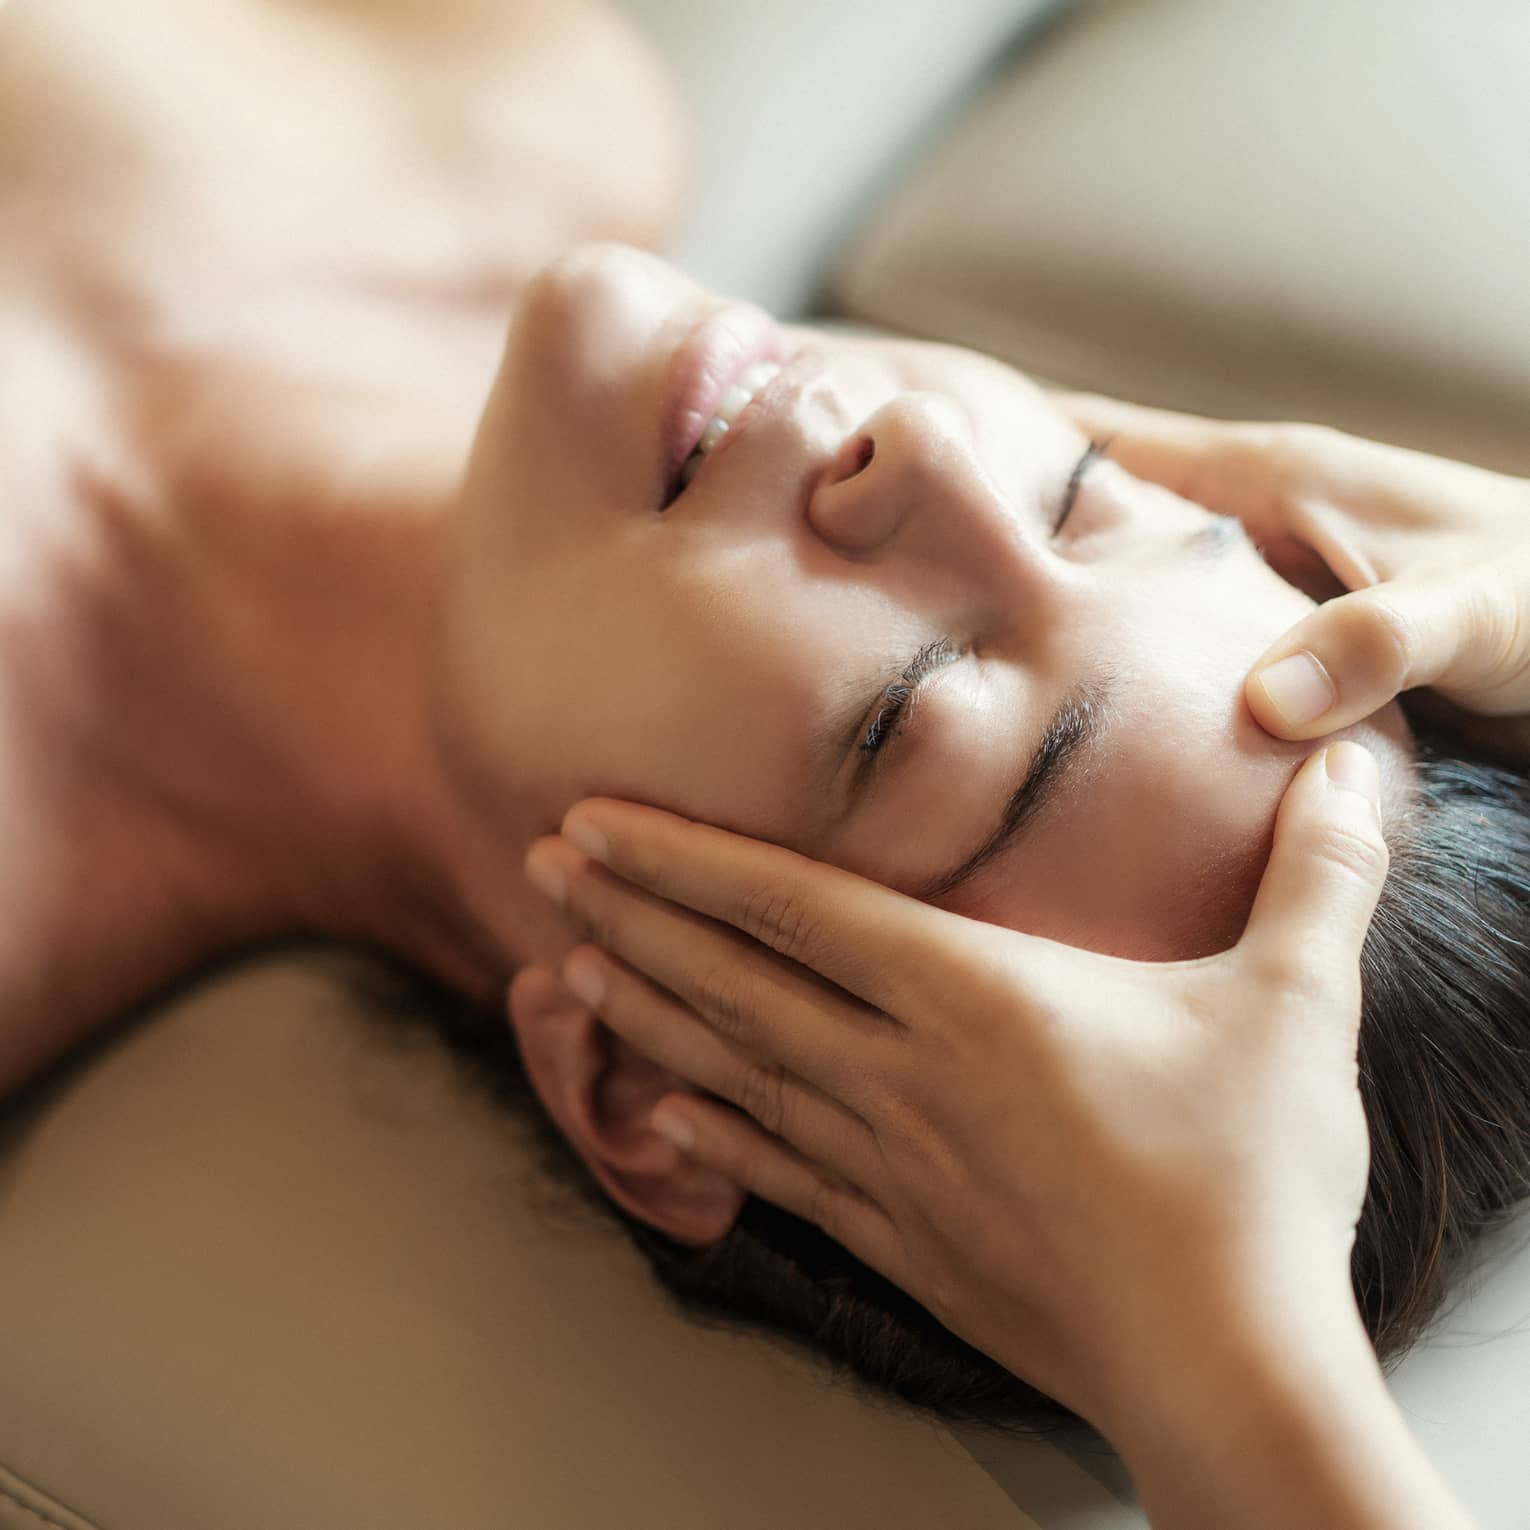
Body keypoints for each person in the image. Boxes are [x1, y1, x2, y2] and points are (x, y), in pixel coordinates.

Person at [1, 3, 1523, 1522]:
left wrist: (1236, 1382)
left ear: (646, 1071)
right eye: (1079, 492)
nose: (922, 453)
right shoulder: (526, 115)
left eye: (901, 713)